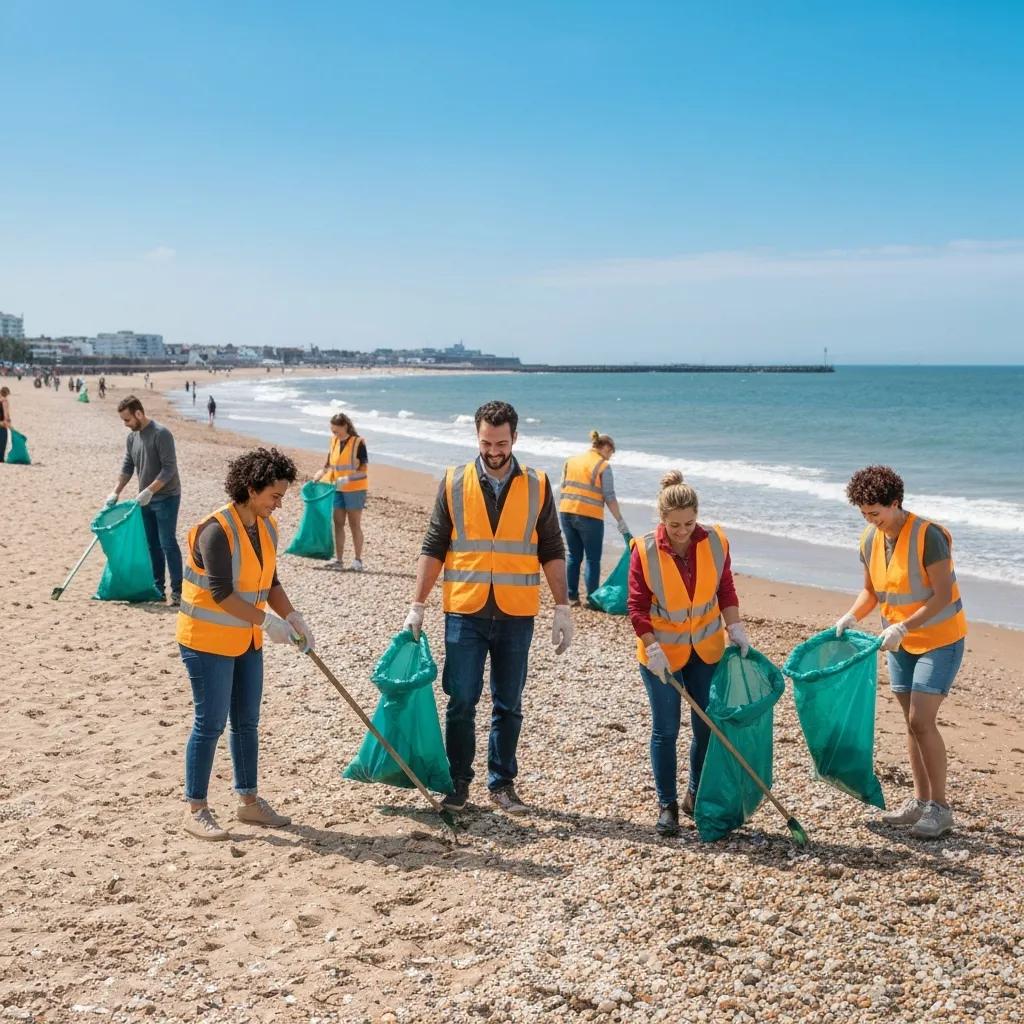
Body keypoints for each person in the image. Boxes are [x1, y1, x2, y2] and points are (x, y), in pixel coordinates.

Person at [403, 400, 573, 815]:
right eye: (485, 442)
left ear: (515, 437)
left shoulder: (537, 484)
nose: (493, 451)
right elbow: (434, 545)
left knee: (508, 702)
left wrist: (563, 606)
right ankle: (458, 783)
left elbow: (551, 546)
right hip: (465, 609)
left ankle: (502, 784)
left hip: (516, 612)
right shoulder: (454, 481)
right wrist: (417, 604)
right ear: (476, 437)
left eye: (500, 443)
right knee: (461, 698)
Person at [176, 447, 314, 841]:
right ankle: (196, 808)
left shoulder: (265, 526)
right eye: (274, 495)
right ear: (251, 489)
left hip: (247, 639)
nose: (279, 504)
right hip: (206, 641)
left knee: (247, 722)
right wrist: (268, 622)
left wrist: (292, 617)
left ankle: (248, 801)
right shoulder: (217, 530)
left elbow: (270, 582)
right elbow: (221, 593)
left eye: (282, 496)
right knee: (210, 724)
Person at [835, 465, 967, 840]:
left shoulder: (929, 537)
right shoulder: (869, 539)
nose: (870, 520)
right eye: (863, 513)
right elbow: (872, 592)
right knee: (911, 723)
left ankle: (940, 809)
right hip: (899, 642)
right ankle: (921, 801)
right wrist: (850, 616)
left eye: (875, 512)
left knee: (922, 720)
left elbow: (942, 595)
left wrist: (904, 627)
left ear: (896, 503)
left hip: (940, 639)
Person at [627, 471, 749, 837]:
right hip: (661, 652)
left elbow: (725, 590)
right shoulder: (645, 550)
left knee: (705, 727)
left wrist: (736, 627)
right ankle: (666, 806)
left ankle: (694, 795)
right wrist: (652, 647)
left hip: (706, 649)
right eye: (675, 524)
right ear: (662, 519)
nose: (683, 531)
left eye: (689, 523)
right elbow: (635, 607)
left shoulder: (714, 541)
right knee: (666, 729)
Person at [105, 396, 184, 606]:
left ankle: (178, 591)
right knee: (152, 545)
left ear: (138, 413)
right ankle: (158, 590)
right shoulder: (132, 438)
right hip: (145, 500)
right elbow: (127, 466)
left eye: (127, 420)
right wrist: (115, 492)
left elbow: (169, 469)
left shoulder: (161, 434)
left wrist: (150, 490)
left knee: (167, 542)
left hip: (167, 497)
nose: (126, 424)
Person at [558, 430, 630, 605]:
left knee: (573, 556)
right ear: (605, 447)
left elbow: (563, 486)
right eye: (610, 453)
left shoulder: (571, 461)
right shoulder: (603, 466)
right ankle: (592, 599)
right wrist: (621, 521)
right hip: (589, 517)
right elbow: (609, 496)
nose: (609, 458)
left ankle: (572, 596)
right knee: (592, 558)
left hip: (566, 512)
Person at [313, 412, 368, 571]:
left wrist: (348, 479)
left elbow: (363, 471)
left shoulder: (358, 443)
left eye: (336, 430)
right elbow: (329, 463)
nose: (334, 434)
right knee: (338, 523)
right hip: (337, 489)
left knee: (354, 525)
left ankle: (358, 561)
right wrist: (321, 473)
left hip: (355, 489)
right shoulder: (333, 441)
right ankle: (339, 560)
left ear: (345, 426)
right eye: (332, 431)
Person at [0, 386, 11, 462]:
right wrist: (8, 421)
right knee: (3, 440)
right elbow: (6, 413)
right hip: (2, 423)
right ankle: (0, 458)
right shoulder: (4, 401)